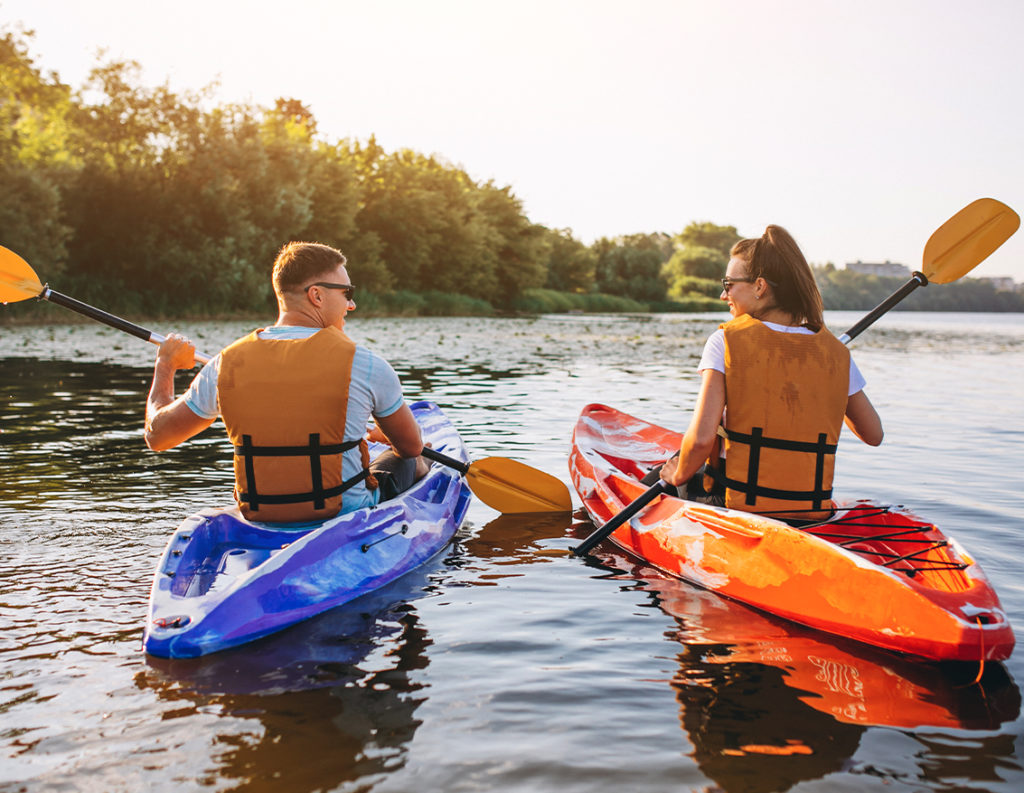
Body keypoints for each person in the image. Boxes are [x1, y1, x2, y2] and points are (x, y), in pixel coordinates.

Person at [144, 241, 429, 523]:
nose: (351, 304)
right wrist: (387, 435)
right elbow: (410, 446)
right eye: (347, 293)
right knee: (413, 459)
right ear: (316, 295)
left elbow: (157, 436)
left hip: (261, 513)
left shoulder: (225, 362)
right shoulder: (366, 364)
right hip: (344, 513)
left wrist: (165, 365)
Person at [657, 225, 883, 522]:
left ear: (760, 287)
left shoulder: (725, 341)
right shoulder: (834, 353)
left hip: (736, 505)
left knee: (669, 471)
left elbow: (700, 441)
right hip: (809, 511)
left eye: (729, 284)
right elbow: (873, 434)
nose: (724, 295)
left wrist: (678, 475)